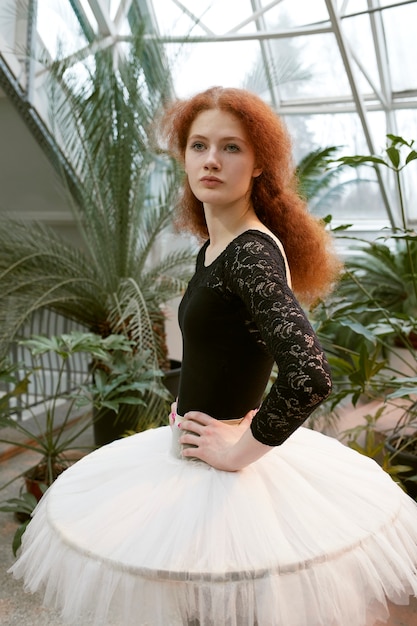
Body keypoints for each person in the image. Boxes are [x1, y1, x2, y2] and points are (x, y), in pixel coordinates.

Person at [9, 87, 417, 626]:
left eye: (231, 147)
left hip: (226, 477)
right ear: (183, 156)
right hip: (189, 455)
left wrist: (238, 451)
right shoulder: (214, 247)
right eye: (199, 144)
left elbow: (310, 373)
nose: (211, 159)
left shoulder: (249, 251)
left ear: (258, 166)